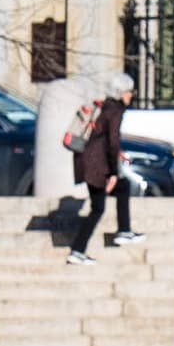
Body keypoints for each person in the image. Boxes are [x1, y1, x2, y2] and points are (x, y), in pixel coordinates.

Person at [67, 80, 135, 254]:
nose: (131, 95)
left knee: (102, 203)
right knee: (103, 203)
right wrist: (113, 172)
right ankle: (122, 231)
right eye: (129, 91)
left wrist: (117, 155)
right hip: (97, 167)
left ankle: (79, 250)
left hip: (86, 163)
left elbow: (100, 139)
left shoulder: (105, 107)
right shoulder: (115, 111)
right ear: (120, 92)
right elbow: (112, 142)